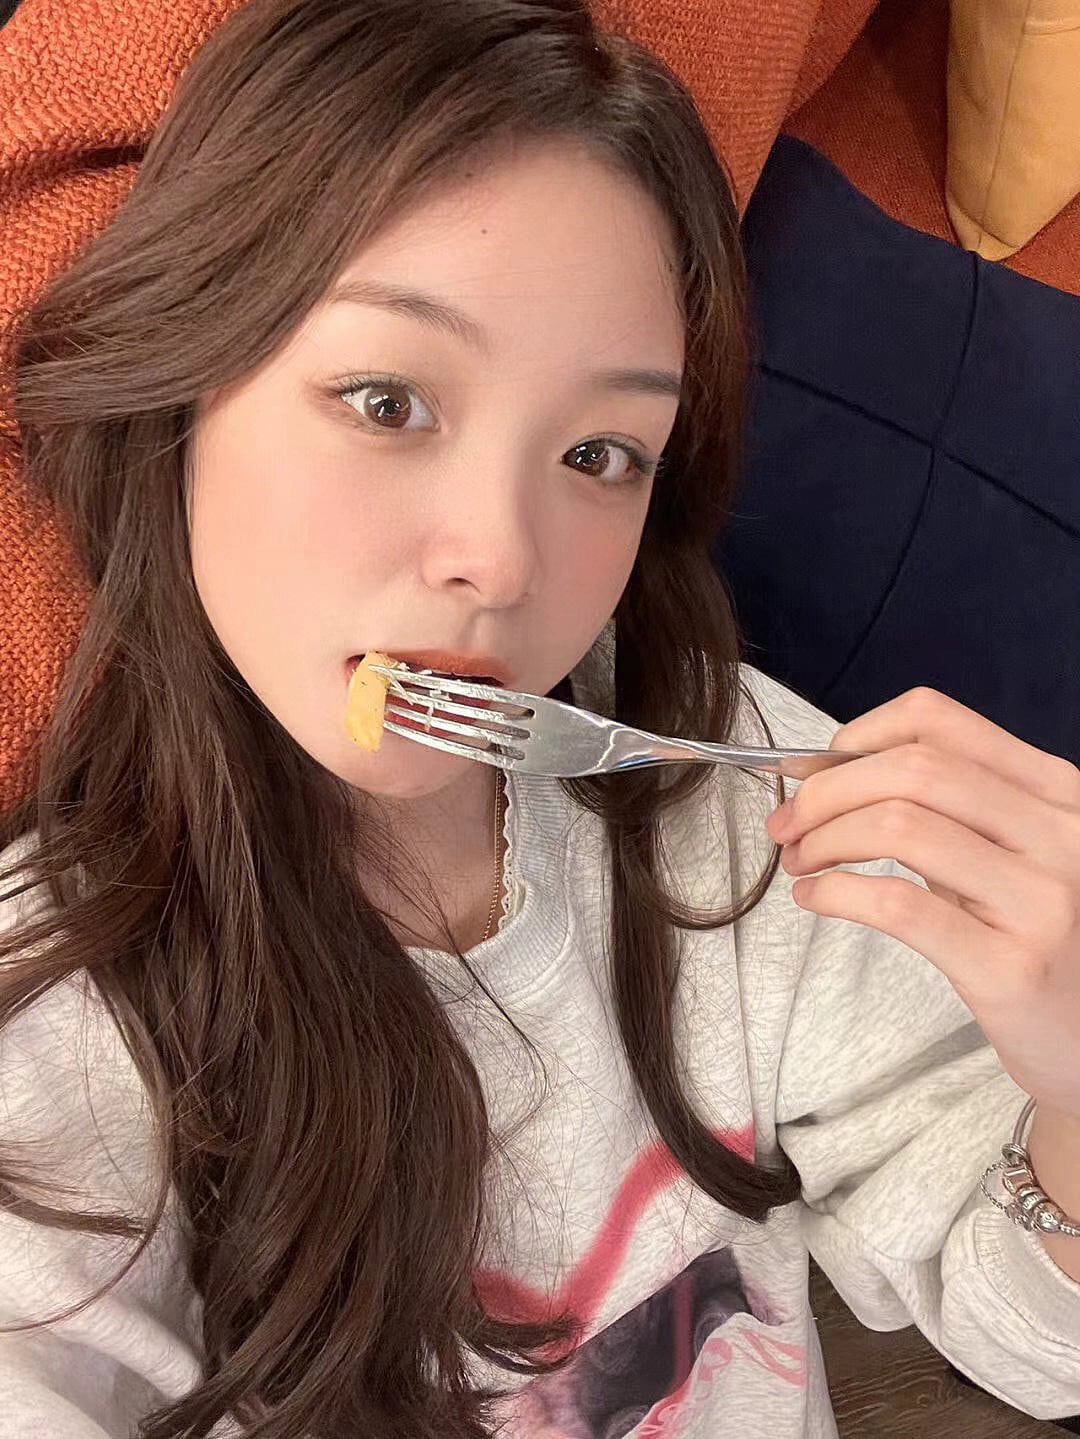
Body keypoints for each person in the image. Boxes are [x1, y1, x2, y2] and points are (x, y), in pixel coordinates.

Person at [0, 1, 1078, 1436]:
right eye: (387, 401)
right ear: (184, 379)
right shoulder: (49, 1066)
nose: (502, 561)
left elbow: (1035, 1338)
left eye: (599, 452)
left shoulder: (732, 799)